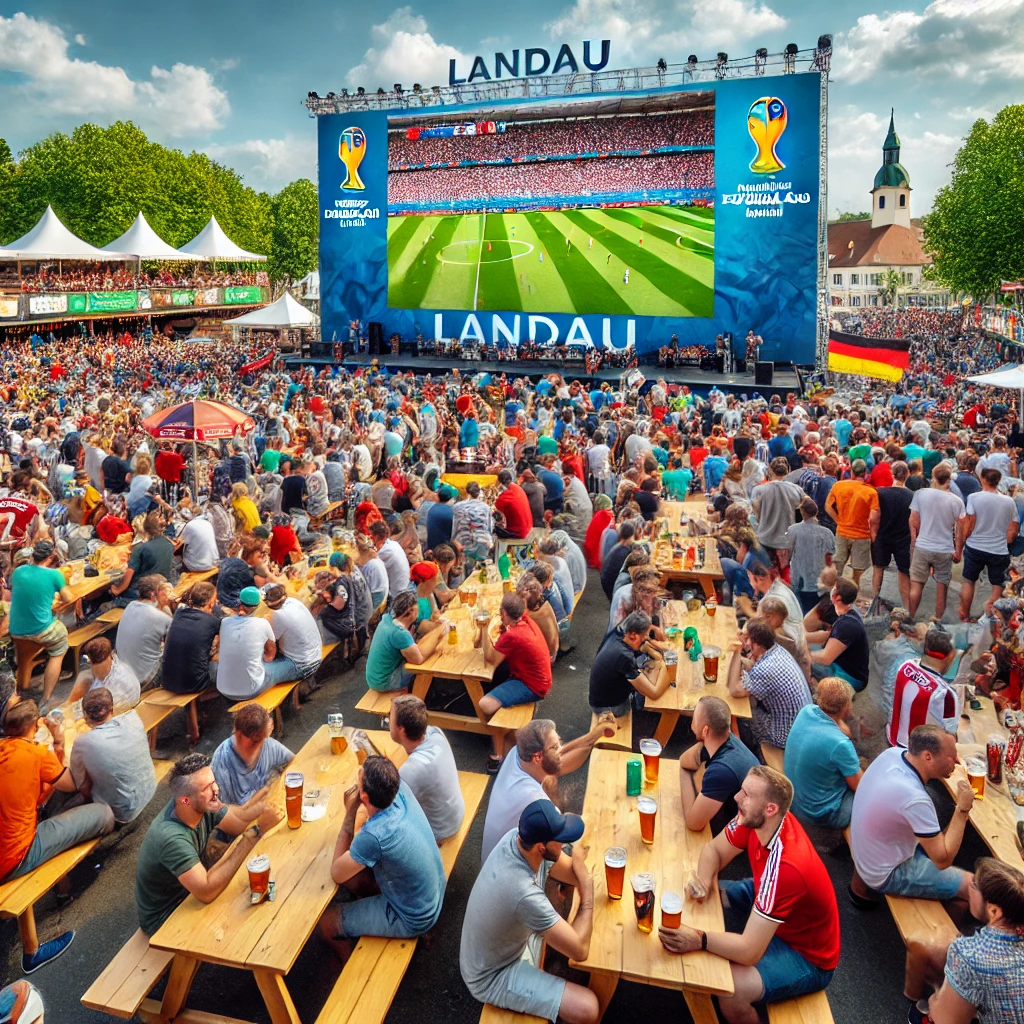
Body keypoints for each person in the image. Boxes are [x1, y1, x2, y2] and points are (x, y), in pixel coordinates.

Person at [659, 766, 840, 1022]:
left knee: (732, 990)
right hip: (765, 890)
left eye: (746, 794)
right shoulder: (755, 818)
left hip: (807, 955)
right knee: (702, 897)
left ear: (770, 809)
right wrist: (703, 883)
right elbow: (713, 851)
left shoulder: (786, 867)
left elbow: (749, 951)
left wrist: (700, 939)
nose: (736, 798)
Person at [0, 696, 115, 970]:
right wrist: (59, 742)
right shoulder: (35, 753)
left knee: (45, 810)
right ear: (35, 725)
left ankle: (63, 887)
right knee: (105, 814)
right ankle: (32, 953)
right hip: (16, 856)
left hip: (6, 844)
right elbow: (69, 784)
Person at [461, 800, 597, 1024]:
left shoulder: (518, 839)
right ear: (541, 848)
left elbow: (571, 872)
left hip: (500, 946)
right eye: (560, 841)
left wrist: (580, 873)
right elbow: (580, 950)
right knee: (588, 1007)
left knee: (564, 926)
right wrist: (588, 893)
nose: (565, 845)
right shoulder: (522, 892)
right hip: (492, 975)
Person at [134, 752, 282, 935]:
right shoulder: (171, 838)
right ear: (185, 800)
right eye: (207, 788)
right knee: (246, 914)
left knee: (250, 882)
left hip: (190, 889)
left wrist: (262, 808)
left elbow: (236, 824)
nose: (216, 790)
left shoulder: (202, 803)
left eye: (214, 783)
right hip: (166, 917)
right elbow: (206, 892)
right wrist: (256, 832)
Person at [317, 755, 446, 962]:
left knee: (327, 922)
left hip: (413, 916)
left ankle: (347, 967)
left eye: (358, 784)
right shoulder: (399, 787)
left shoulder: (375, 833)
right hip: (434, 891)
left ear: (364, 797)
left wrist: (349, 814)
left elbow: (337, 873)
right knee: (358, 875)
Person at [849, 724, 973, 908]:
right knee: (972, 885)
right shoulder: (915, 799)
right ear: (928, 757)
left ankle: (858, 891)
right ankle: (953, 934)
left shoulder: (892, 754)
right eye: (951, 757)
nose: (957, 761)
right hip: (886, 872)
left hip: (866, 849)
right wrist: (962, 809)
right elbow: (943, 860)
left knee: (938, 819)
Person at [480, 717, 612, 862]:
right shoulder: (536, 800)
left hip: (496, 855)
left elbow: (559, 756)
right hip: (510, 865)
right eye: (555, 747)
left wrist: (592, 736)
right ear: (537, 757)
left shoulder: (518, 753)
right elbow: (555, 846)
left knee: (550, 778)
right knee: (589, 850)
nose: (560, 749)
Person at [916, 857, 1024, 1024]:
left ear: (994, 911)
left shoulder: (969, 955)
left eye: (974, 885)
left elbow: (948, 1021)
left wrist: (934, 1001)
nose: (969, 886)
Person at [69, 686, 157, 825]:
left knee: (74, 788)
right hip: (150, 789)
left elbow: (81, 785)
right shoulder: (133, 718)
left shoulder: (83, 742)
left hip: (123, 812)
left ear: (86, 716)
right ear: (112, 709)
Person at [783, 679, 862, 830]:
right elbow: (860, 786)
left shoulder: (806, 711)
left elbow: (839, 727)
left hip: (794, 799)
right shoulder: (841, 744)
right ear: (846, 707)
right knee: (871, 795)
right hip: (819, 812)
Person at [8, 540, 76, 709]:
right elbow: (69, 599)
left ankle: (22, 693)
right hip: (40, 629)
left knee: (25, 655)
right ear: (51, 557)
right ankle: (46, 698)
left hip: (16, 629)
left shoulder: (18, 571)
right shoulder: (54, 575)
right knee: (59, 647)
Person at [679, 695, 759, 835]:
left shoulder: (722, 771)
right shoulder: (723, 740)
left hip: (748, 837)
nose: (691, 720)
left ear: (705, 730)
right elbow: (685, 760)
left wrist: (684, 774)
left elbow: (694, 823)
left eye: (694, 717)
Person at [726, 618, 811, 752]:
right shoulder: (776, 650)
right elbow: (752, 667)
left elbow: (734, 690)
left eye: (748, 638)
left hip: (785, 735)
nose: (746, 642)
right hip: (801, 726)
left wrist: (737, 651)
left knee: (743, 712)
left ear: (758, 643)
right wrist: (741, 661)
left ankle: (747, 747)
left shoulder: (766, 669)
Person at [389, 695, 465, 844]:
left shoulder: (412, 770)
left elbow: (390, 810)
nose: (387, 719)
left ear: (402, 729)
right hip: (453, 815)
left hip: (439, 831)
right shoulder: (435, 733)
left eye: (389, 716)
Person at [480, 592, 553, 721]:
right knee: (502, 668)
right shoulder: (525, 619)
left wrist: (484, 628)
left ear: (504, 613)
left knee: (485, 704)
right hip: (542, 678)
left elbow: (491, 659)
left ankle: (500, 724)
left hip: (534, 686)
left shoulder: (512, 635)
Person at [957, 467, 1018, 621]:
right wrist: (1006, 540)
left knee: (969, 580)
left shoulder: (974, 497)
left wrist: (962, 542)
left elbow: (969, 523)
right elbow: (1014, 528)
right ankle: (991, 616)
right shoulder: (1009, 501)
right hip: (998, 550)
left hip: (975, 546)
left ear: (983, 479)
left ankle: (964, 613)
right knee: (997, 584)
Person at [908, 464, 966, 622]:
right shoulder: (957, 501)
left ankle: (910, 617)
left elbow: (913, 521)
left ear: (933, 477)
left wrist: (915, 542)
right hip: (944, 548)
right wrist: (958, 550)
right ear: (949, 478)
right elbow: (960, 530)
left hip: (923, 545)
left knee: (916, 585)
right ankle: (938, 620)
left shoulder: (920, 494)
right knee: (942, 587)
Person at [588, 611, 672, 717]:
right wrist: (665, 666)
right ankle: (641, 711)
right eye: (644, 636)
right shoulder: (624, 656)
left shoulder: (618, 633)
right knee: (654, 680)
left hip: (599, 696)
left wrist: (647, 649)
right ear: (633, 635)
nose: (646, 639)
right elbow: (654, 693)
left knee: (648, 670)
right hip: (608, 707)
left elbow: (640, 648)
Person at [364, 589, 450, 693]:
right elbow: (418, 660)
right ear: (411, 611)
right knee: (426, 665)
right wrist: (441, 631)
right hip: (384, 682)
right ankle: (426, 694)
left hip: (373, 678)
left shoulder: (388, 618)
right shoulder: (399, 632)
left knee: (422, 647)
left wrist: (437, 630)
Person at [209, 701, 294, 806]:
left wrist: (280, 787)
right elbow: (224, 810)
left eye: (260, 740)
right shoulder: (222, 760)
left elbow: (293, 762)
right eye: (254, 742)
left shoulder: (267, 744)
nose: (259, 747)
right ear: (238, 734)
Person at [887, 628, 960, 747]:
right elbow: (950, 739)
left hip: (894, 741)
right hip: (919, 756)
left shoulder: (905, 666)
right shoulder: (946, 695)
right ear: (951, 655)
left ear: (925, 648)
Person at [214, 587, 280, 700]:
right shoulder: (263, 623)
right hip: (252, 690)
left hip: (223, 688)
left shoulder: (225, 622)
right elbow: (270, 656)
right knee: (283, 666)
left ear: (240, 604)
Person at [807, 577, 870, 691]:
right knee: (808, 648)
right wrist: (800, 639)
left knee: (804, 661)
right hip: (844, 667)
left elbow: (826, 658)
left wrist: (803, 654)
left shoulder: (846, 624)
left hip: (850, 678)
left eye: (834, 589)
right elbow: (826, 636)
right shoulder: (846, 614)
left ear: (837, 597)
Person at [824, 458, 877, 587]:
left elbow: (828, 506)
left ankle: (833, 594)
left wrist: (839, 521)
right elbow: (874, 517)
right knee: (858, 571)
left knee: (837, 567)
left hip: (842, 531)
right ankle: (851, 597)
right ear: (865, 473)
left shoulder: (839, 486)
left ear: (851, 472)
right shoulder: (871, 492)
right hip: (862, 535)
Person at [869, 460, 914, 611]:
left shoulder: (880, 493)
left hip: (883, 535)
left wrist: (874, 535)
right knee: (903, 571)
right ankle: (907, 606)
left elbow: (874, 517)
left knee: (878, 568)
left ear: (892, 474)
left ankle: (875, 600)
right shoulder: (912, 495)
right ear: (907, 476)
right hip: (903, 538)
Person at [161, 581, 221, 693]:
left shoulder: (179, 613)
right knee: (221, 657)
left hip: (167, 681)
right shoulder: (213, 622)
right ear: (211, 603)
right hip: (195, 683)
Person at [114, 574, 172, 687]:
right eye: (165, 591)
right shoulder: (161, 618)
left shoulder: (131, 606)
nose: (169, 595)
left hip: (123, 674)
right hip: (145, 679)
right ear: (153, 595)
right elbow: (172, 647)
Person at [110, 510, 175, 606]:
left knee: (107, 604)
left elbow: (128, 576)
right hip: (163, 587)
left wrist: (117, 590)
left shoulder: (141, 548)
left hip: (141, 592)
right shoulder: (169, 543)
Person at [263, 582, 323, 683]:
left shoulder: (279, 615)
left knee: (257, 673)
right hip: (316, 657)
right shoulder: (294, 602)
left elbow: (269, 645)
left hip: (302, 665)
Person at [785, 497, 835, 614]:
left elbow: (786, 555)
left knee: (801, 612)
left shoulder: (793, 530)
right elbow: (831, 559)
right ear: (816, 512)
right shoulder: (827, 533)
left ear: (802, 512)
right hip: (821, 583)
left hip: (801, 580)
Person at [752, 458, 803, 567]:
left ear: (770, 471)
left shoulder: (758, 490)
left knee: (765, 576)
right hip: (786, 542)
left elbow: (756, 514)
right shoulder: (797, 490)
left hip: (765, 540)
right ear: (788, 471)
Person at [68, 636, 141, 708]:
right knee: (84, 676)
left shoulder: (114, 685)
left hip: (115, 712)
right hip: (116, 705)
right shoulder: (117, 666)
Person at [370, 519, 411, 596]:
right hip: (406, 587)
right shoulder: (393, 544)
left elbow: (367, 562)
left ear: (376, 537)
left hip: (398, 594)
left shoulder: (386, 552)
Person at [493, 468, 533, 539]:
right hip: (528, 527)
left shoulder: (506, 495)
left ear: (500, 483)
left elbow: (495, 508)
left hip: (518, 532)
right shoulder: (518, 488)